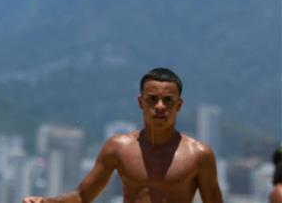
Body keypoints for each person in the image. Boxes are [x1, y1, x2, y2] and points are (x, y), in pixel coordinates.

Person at [23, 67, 223, 203]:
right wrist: (46, 201)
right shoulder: (118, 148)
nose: (160, 107)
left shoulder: (199, 155)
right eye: (152, 99)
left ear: (179, 105)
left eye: (168, 100)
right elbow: (83, 196)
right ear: (140, 102)